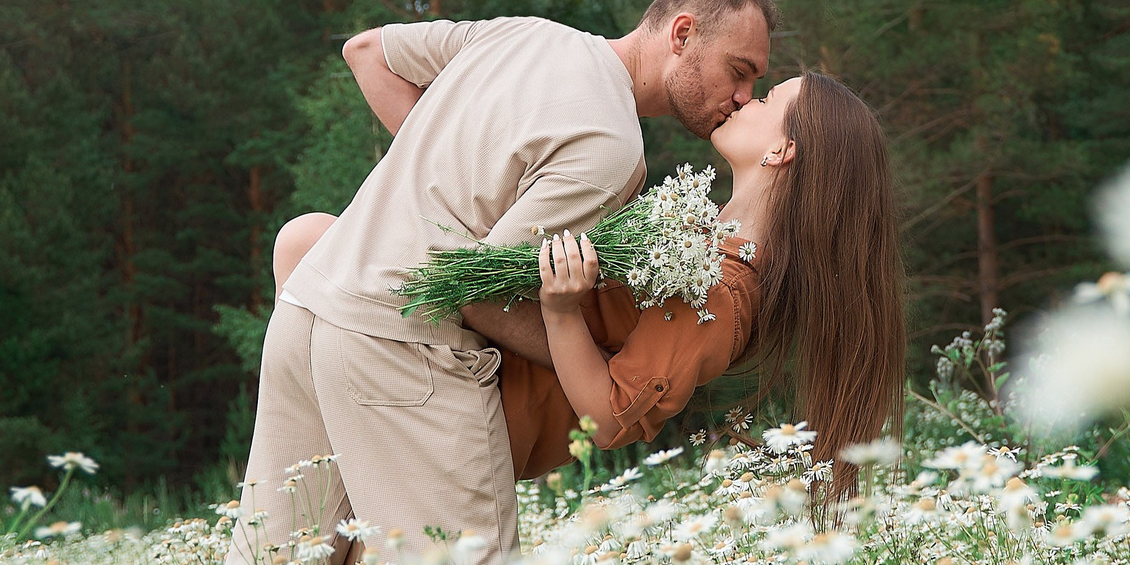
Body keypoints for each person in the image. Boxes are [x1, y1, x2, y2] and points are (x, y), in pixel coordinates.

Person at [213, 0, 773, 565]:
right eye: (739, 70)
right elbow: (477, 291)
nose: (743, 96)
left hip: (311, 301)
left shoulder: (525, 35)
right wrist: (595, 352)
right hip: (401, 346)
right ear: (683, 33)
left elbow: (367, 52)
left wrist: (438, 174)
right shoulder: (613, 147)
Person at [268, 72, 906, 497]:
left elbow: (605, 419)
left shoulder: (724, 293)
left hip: (489, 407)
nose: (748, 98)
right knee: (308, 242)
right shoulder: (694, 229)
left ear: (782, 151)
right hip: (467, 351)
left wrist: (562, 309)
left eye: (768, 101)